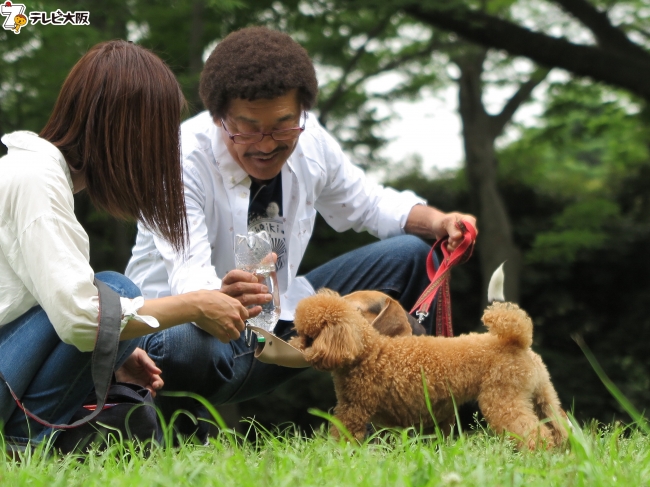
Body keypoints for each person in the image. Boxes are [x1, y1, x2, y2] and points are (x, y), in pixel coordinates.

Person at [125, 26, 477, 436]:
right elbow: (189, 274)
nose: (267, 143)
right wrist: (223, 296)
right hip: (191, 341)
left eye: (283, 125)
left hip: (282, 324)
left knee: (412, 256)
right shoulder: (179, 156)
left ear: (301, 114)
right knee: (181, 341)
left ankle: (416, 422)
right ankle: (172, 430)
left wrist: (439, 222)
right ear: (220, 117)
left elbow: (370, 203)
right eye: (248, 128)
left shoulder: (312, 142)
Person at [0, 40, 254, 452]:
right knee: (117, 291)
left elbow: (46, 307)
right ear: (124, 129)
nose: (161, 151)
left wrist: (117, 354)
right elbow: (83, 318)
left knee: (111, 300)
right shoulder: (36, 180)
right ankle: (20, 442)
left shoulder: (33, 172)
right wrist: (196, 303)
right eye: (157, 132)